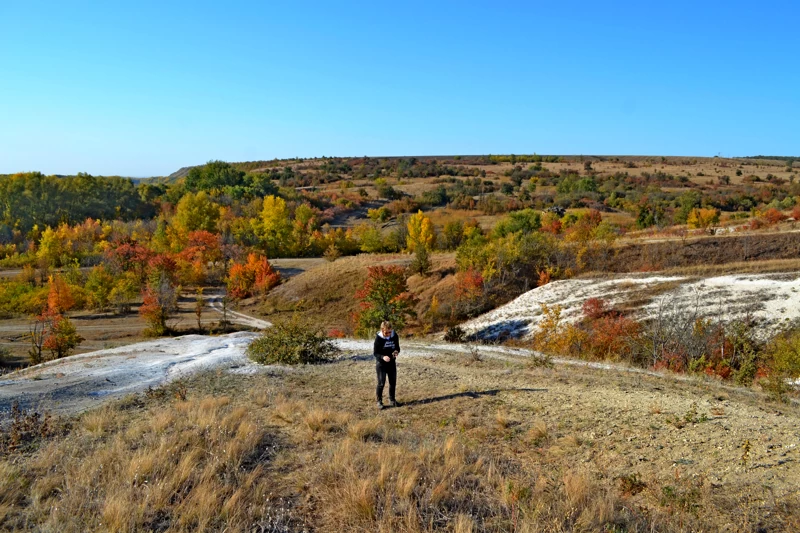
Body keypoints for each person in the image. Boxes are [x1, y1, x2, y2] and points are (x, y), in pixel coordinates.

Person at [373, 320, 400, 409]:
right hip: (381, 363)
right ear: (382, 330)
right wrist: (382, 357)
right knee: (381, 383)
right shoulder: (378, 338)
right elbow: (375, 353)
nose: (388, 334)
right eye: (386, 332)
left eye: (389, 332)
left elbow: (397, 347)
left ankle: (392, 400)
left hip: (391, 362)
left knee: (393, 382)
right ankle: (379, 401)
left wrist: (396, 352)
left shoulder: (394, 335)